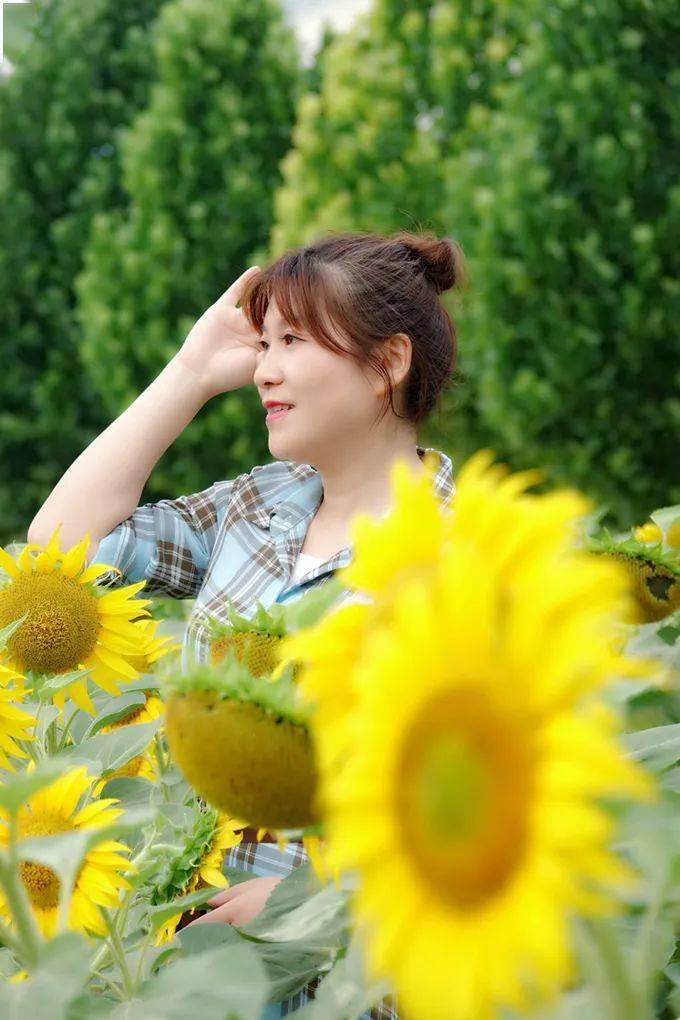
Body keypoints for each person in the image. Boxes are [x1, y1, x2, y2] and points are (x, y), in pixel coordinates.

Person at [27, 229, 465, 1017]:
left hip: (353, 989)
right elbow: (62, 551)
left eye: (292, 340)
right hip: (196, 976)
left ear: (388, 363)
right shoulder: (257, 507)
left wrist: (311, 910)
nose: (263, 368)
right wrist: (190, 375)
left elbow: (478, 811)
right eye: (263, 343)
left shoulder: (468, 556)